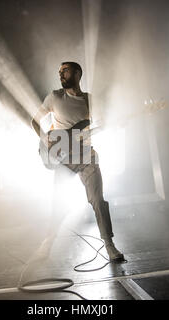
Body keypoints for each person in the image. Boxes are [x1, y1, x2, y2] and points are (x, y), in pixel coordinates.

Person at [31, 62, 124, 261]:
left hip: (87, 156)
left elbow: (102, 123)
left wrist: (116, 123)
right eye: (59, 72)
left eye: (65, 71)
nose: (61, 75)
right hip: (65, 159)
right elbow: (35, 121)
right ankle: (47, 245)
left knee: (98, 201)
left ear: (77, 73)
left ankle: (110, 246)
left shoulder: (89, 100)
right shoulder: (55, 97)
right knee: (58, 205)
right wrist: (46, 139)